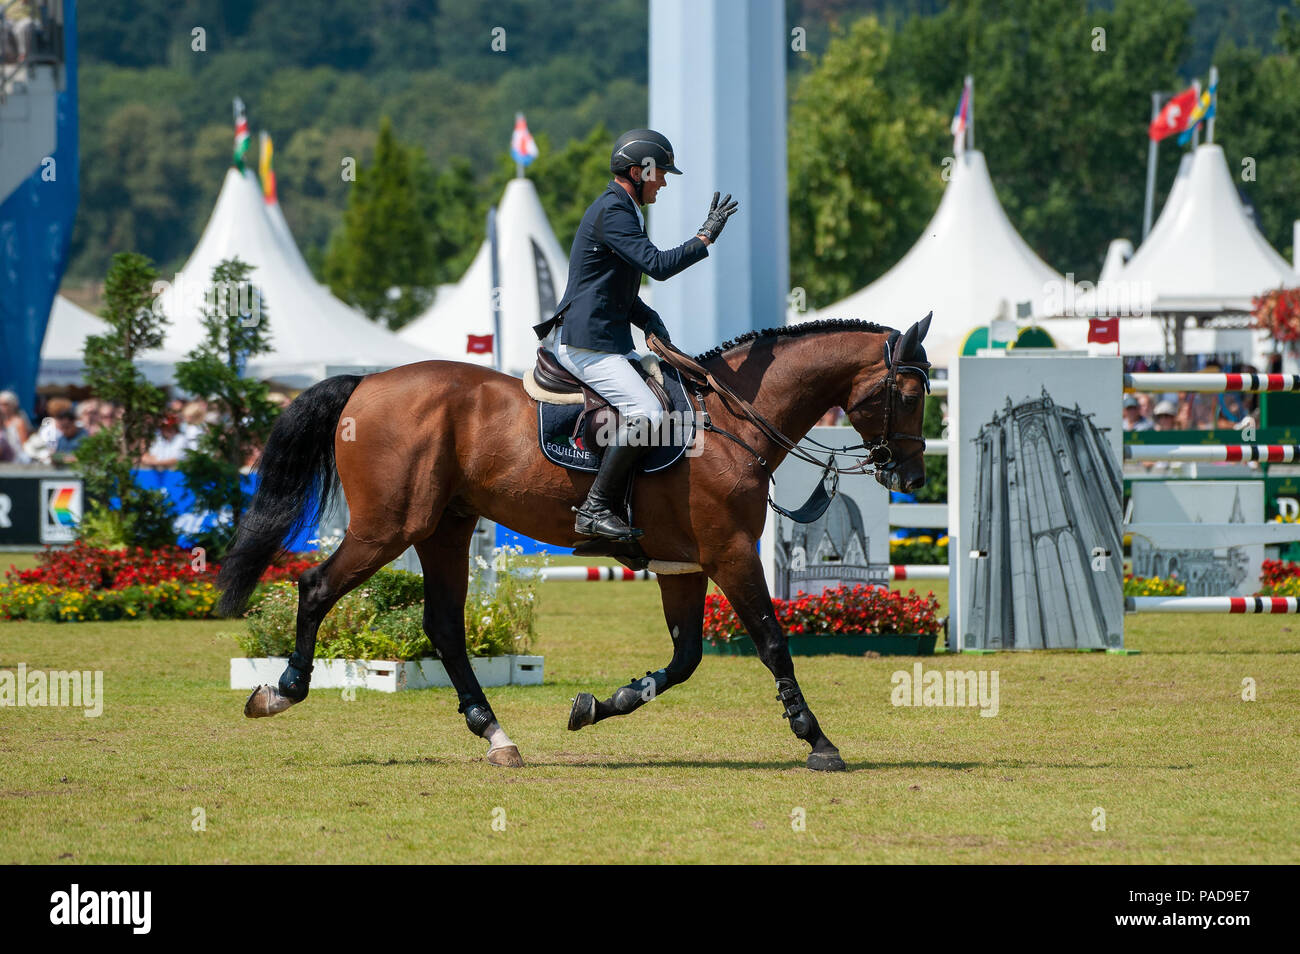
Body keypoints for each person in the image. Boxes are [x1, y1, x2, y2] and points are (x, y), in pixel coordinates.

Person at [533, 128, 738, 540]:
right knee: (649, 414)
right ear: (637, 171)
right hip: (586, 343)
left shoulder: (625, 208)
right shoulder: (614, 210)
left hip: (605, 338)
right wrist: (704, 238)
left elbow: (612, 284)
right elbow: (657, 265)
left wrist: (647, 318)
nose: (663, 181)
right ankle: (594, 508)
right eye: (660, 172)